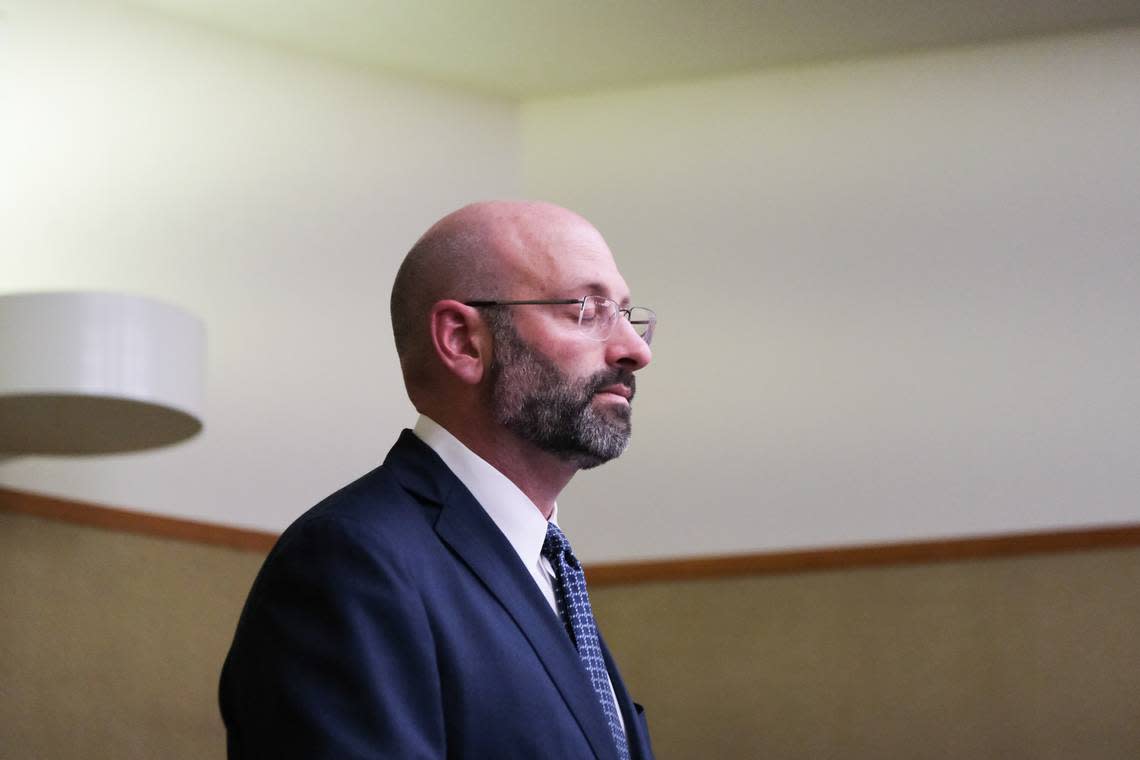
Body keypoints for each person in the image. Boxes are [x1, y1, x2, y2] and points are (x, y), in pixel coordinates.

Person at [219, 200, 657, 759]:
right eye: (587, 309)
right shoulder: (350, 563)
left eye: (626, 314)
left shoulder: (547, 571)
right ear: (462, 340)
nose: (635, 350)